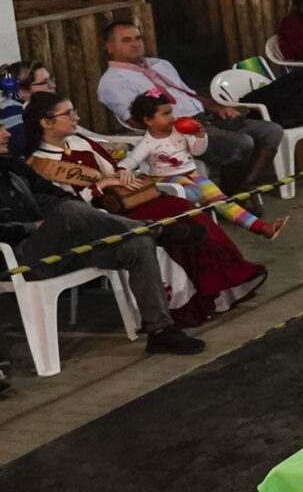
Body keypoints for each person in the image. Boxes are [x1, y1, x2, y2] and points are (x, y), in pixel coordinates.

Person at [9, 94, 203, 354]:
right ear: (46, 122)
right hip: (21, 256)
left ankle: (160, 330)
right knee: (70, 210)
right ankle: (157, 229)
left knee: (138, 244)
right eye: (0, 129)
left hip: (63, 242)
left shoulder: (14, 168)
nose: (7, 134)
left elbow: (56, 197)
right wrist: (34, 226)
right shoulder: (36, 162)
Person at [97, 22, 283, 191]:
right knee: (242, 143)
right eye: (126, 40)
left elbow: (188, 94)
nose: (135, 44)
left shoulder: (160, 64)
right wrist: (177, 129)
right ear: (111, 47)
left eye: (138, 38)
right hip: (179, 131)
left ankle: (247, 186)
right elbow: (135, 121)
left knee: (271, 130)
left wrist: (217, 108)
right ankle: (234, 193)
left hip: (207, 118)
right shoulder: (112, 81)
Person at [119, 91, 285, 241]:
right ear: (148, 120)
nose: (172, 117)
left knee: (223, 202)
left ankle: (262, 228)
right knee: (194, 193)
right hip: (166, 179)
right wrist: (122, 169)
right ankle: (198, 226)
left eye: (171, 112)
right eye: (165, 114)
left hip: (191, 175)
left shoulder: (179, 132)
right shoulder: (148, 143)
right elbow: (132, 159)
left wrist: (200, 137)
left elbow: (197, 151)